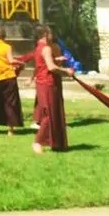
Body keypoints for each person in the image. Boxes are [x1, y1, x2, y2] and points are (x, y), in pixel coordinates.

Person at [32, 24, 74, 154]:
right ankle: (38, 142)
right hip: (48, 83)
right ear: (45, 34)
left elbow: (44, 63)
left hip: (42, 82)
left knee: (52, 112)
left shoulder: (39, 47)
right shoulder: (46, 48)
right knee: (49, 113)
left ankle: (55, 143)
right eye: (51, 33)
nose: (52, 36)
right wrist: (66, 71)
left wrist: (56, 59)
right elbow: (51, 67)